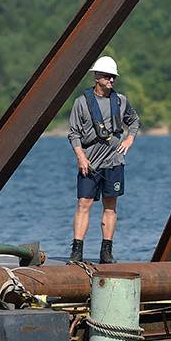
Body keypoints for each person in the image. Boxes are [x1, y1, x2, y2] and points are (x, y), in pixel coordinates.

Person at [67, 55, 140, 264]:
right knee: (84, 203)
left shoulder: (121, 100)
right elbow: (73, 134)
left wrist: (129, 139)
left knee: (111, 205)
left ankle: (106, 252)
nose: (111, 80)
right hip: (90, 162)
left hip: (114, 162)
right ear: (97, 77)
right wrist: (81, 157)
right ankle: (77, 250)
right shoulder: (81, 103)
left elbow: (134, 121)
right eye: (108, 76)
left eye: (113, 77)